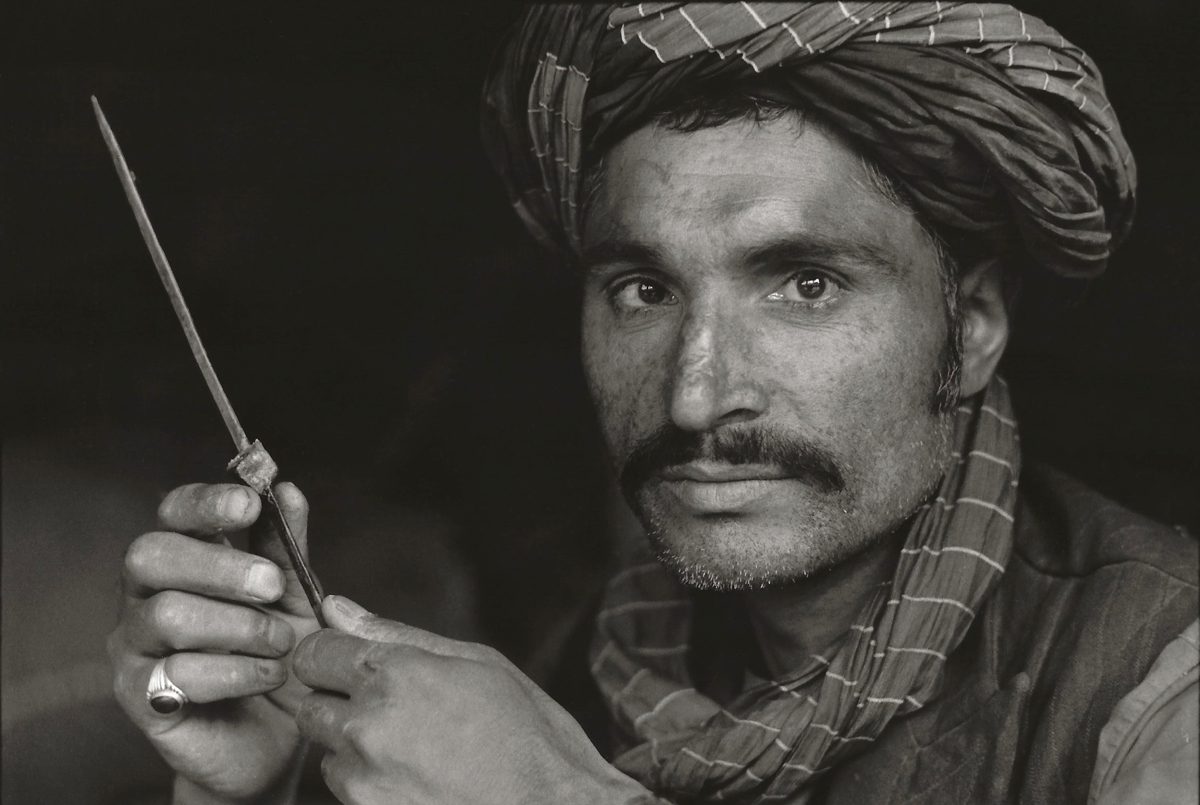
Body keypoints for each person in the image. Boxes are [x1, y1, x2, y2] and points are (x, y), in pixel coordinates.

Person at [107, 4, 1198, 803]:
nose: (694, 390)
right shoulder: (600, 658)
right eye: (643, 289)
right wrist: (279, 773)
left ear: (976, 326)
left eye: (805, 284)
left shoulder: (1154, 690)